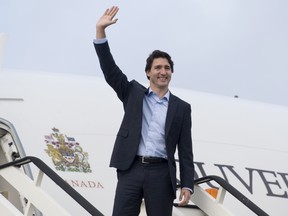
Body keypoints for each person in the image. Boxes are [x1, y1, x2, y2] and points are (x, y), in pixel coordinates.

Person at [93, 6, 194, 216]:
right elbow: (110, 70)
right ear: (148, 73)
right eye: (157, 68)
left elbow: (185, 150)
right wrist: (100, 32)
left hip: (161, 173)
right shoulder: (132, 93)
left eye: (167, 68)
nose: (162, 72)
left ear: (171, 73)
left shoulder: (182, 108)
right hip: (131, 169)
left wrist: (187, 184)